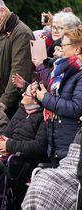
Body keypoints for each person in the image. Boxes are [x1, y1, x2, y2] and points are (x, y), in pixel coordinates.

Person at [30, 25, 82, 165]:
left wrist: (45, 98)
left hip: (72, 145)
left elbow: (76, 108)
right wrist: (40, 95)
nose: (61, 48)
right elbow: (55, 101)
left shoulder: (79, 73)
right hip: (58, 143)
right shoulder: (62, 70)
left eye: (64, 45)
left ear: (77, 49)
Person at [0, 0, 35, 118]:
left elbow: (19, 71)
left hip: (9, 107)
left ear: (3, 11)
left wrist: (3, 104)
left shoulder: (21, 33)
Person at [22, 126, 82, 210]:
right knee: (42, 177)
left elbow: (38, 145)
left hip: (76, 172)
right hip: (68, 164)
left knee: (48, 181)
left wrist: (9, 144)